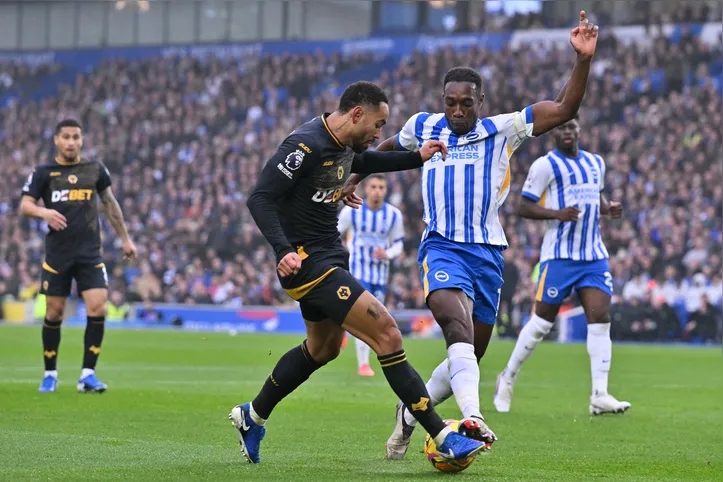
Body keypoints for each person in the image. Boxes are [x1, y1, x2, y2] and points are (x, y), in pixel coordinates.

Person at [342, 11, 601, 459]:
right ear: (442, 100)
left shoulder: (501, 130)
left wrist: (581, 61)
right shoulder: (422, 126)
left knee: (471, 352)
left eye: (466, 103)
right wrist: (354, 177)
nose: (458, 111)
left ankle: (408, 414)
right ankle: (473, 419)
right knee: (454, 325)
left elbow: (564, 110)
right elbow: (387, 147)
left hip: (487, 254)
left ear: (480, 100)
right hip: (441, 246)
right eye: (451, 103)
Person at [233, 81, 486, 464]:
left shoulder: (346, 147)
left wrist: (419, 156)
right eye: (378, 124)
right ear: (356, 114)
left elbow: (365, 163)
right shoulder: (304, 145)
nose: (379, 133)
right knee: (387, 333)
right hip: (306, 262)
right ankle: (443, 435)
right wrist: (283, 250)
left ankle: (252, 416)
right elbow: (260, 197)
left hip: (330, 256)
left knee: (324, 348)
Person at [493, 116, 631, 415]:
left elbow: (597, 196)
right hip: (559, 256)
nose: (567, 132)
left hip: (593, 256)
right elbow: (524, 206)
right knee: (542, 323)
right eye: (561, 128)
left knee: (601, 319)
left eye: (571, 127)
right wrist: (557, 214)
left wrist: (608, 209)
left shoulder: (596, 163)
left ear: (579, 129)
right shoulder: (545, 165)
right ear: (553, 134)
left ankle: (600, 394)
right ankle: (508, 377)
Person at [19, 119, 137, 393]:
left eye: (76, 137)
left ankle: (87, 374)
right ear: (56, 141)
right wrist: (44, 212)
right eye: (66, 137)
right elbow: (24, 205)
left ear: (81, 140)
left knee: (98, 308)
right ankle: (50, 374)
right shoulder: (43, 172)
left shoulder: (94, 169)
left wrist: (125, 239)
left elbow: (110, 203)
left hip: (89, 254)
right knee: (54, 312)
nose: (71, 142)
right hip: (58, 255)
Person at [338, 174, 405, 376]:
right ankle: (363, 365)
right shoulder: (352, 210)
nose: (377, 191)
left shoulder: (394, 215)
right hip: (358, 270)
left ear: (386, 190)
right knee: (368, 317)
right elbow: (335, 232)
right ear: (366, 189)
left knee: (373, 318)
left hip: (380, 275)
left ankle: (342, 327)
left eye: (381, 187)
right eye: (373, 186)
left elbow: (399, 244)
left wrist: (388, 253)